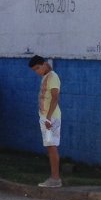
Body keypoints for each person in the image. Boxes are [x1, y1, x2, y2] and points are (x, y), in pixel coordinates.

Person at [28, 55, 62, 188]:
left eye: (37, 68)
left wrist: (48, 117)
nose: (37, 71)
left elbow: (55, 98)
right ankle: (54, 178)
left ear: (44, 64)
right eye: (34, 70)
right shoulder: (46, 77)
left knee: (52, 147)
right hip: (46, 117)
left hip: (51, 118)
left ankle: (55, 178)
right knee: (50, 146)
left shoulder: (53, 77)